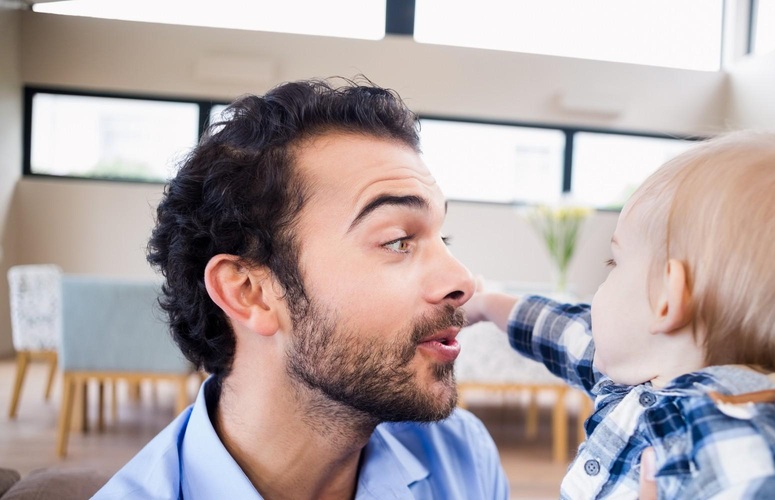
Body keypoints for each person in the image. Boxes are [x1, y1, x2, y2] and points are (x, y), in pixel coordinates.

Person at [94, 78, 510, 499]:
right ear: (249, 292)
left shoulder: (462, 458)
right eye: (398, 241)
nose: (462, 281)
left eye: (444, 240)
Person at [465, 131, 775, 499]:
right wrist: (487, 304)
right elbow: (566, 333)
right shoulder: (649, 372)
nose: (601, 286)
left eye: (613, 263)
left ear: (669, 301)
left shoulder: (740, 441)